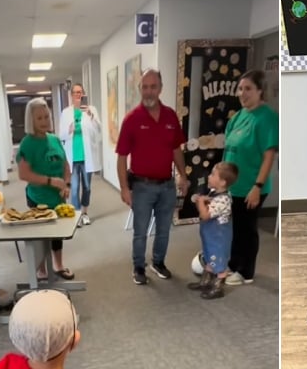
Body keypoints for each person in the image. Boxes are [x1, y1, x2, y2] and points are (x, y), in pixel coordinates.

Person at [115, 68, 189, 285]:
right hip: (141, 186)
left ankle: (159, 262)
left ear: (160, 88)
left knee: (164, 230)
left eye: (153, 87)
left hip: (166, 185)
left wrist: (183, 175)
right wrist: (124, 188)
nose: (148, 92)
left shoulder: (170, 116)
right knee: (140, 232)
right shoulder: (132, 119)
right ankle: (139, 267)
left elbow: (176, 149)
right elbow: (121, 157)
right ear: (140, 89)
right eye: (144, 87)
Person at [222, 69, 278, 286]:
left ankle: (246, 272)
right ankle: (234, 263)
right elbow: (229, 150)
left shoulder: (267, 118)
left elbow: (268, 157)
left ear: (260, 91)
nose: (242, 93)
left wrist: (257, 186)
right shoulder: (238, 117)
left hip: (252, 185)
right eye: (240, 88)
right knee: (236, 228)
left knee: (247, 229)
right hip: (233, 185)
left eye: (248, 89)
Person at [17, 97, 74, 282]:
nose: (44, 121)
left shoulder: (55, 139)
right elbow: (24, 174)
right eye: (39, 118)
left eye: (46, 117)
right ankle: (41, 269)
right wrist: (51, 181)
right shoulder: (27, 143)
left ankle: (58, 266)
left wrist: (65, 184)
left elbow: (66, 166)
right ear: (31, 121)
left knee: (57, 236)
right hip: (38, 197)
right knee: (40, 237)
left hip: (57, 197)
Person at [187, 161, 237, 299]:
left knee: (219, 262)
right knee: (209, 257)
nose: (209, 176)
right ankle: (206, 281)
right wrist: (204, 201)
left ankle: (218, 286)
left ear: (222, 182)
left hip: (219, 238)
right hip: (210, 237)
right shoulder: (214, 193)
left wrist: (201, 202)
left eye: (213, 174)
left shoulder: (223, 199)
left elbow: (205, 215)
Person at [57, 82, 101, 226]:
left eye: (80, 92)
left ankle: (85, 213)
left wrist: (91, 116)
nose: (78, 94)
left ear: (83, 94)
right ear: (71, 95)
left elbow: (98, 131)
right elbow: (61, 136)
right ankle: (76, 216)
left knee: (87, 187)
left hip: (87, 156)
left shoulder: (91, 109)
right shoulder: (66, 112)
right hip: (73, 158)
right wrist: (69, 130)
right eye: (75, 92)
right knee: (74, 188)